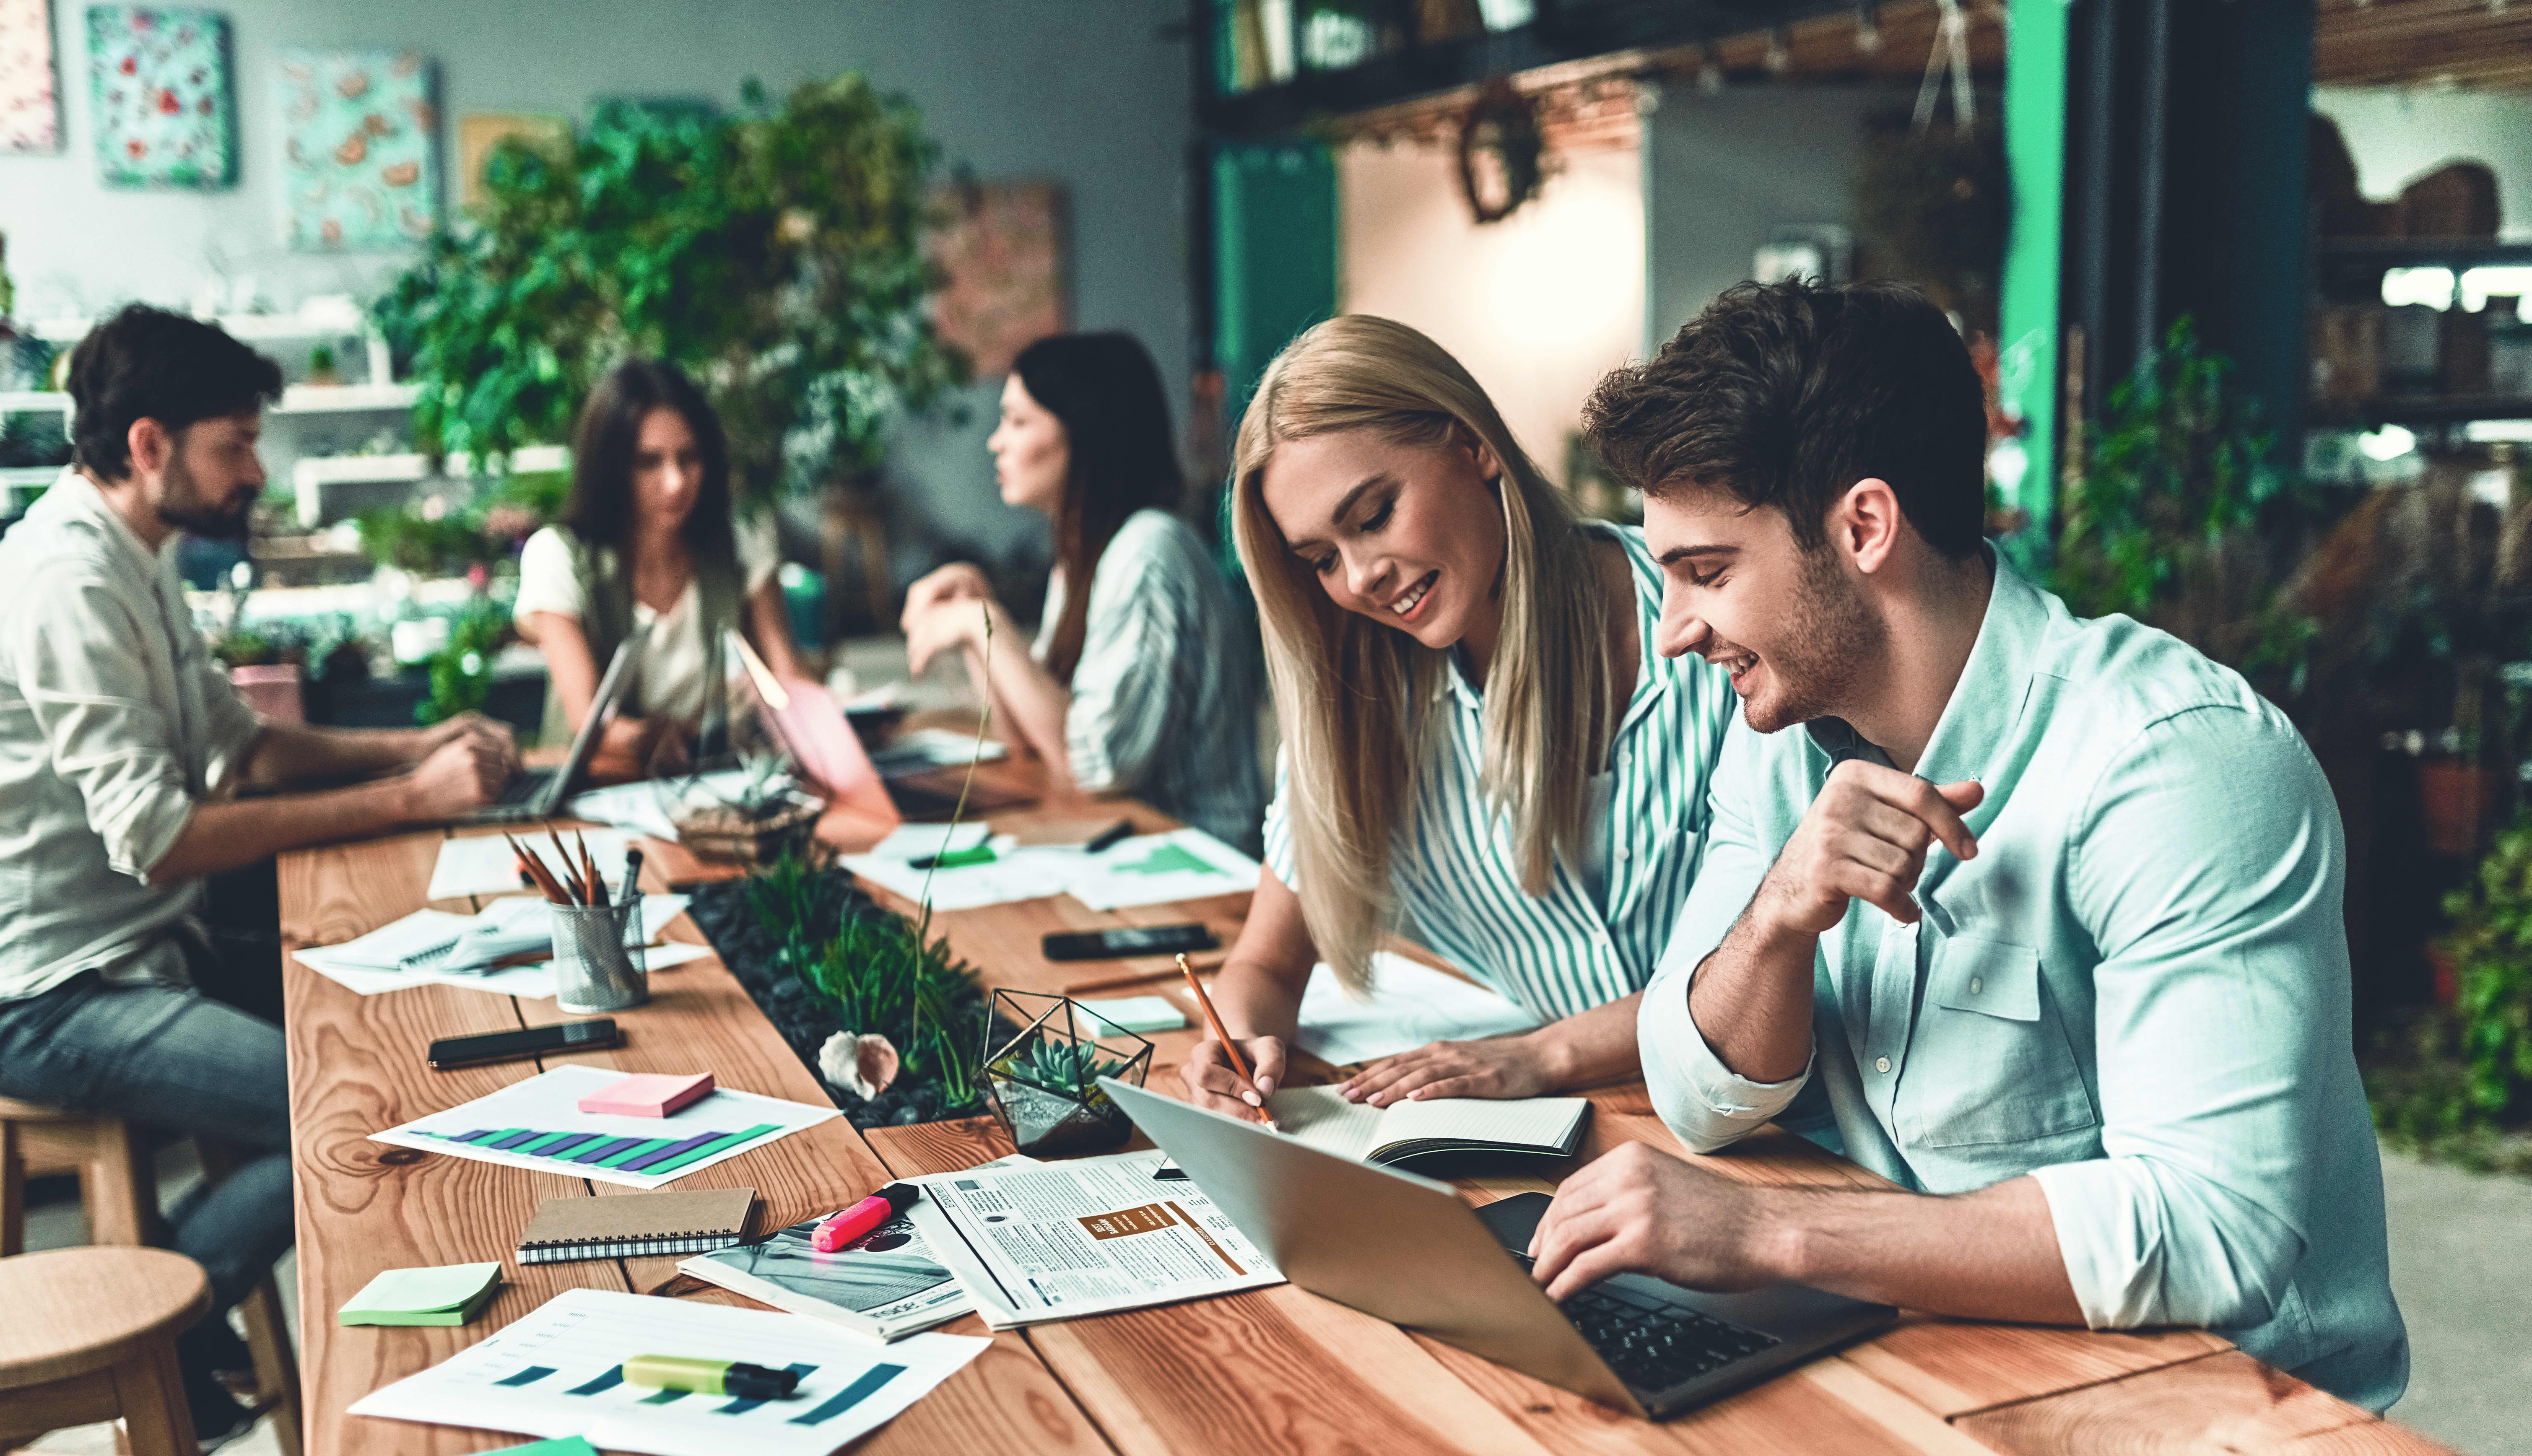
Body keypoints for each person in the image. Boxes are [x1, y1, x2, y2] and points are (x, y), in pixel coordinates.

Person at [1527, 279, 2407, 1410]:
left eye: (1707, 573)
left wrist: (1775, 1231)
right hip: (1915, 1359)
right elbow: (1699, 1097)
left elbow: (2212, 1231)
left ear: (1862, 529)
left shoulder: (2177, 767)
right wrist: (1779, 913)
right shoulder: (1778, 733)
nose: (1675, 632)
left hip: (2215, 1410)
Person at [0, 305, 521, 1441]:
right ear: (150, 444)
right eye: (236, 443)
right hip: (40, 995)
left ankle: (187, 1301)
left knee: (390, 1043)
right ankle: (169, 1319)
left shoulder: (138, 556)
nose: (256, 469)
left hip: (135, 956)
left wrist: (418, 745)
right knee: (357, 1111)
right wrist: (411, 802)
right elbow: (158, 837)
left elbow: (242, 747)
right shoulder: (70, 583)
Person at [1182, 315, 1737, 1119]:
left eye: (1372, 516)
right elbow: (1264, 965)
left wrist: (1541, 1055)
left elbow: (1806, 956)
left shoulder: (1710, 626)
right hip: (1589, 1133)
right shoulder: (1355, 704)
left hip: (1784, 1131)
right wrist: (1236, 1048)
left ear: (1471, 445)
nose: (1361, 577)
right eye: (1320, 560)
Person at [899, 331, 1265, 852]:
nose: (996, 441)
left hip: (1194, 866)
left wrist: (986, 624)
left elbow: (1092, 766)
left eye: (1019, 421)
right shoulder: (1083, 559)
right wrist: (979, 627)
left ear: (1086, 435)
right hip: (1124, 848)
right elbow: (1028, 740)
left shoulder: (1147, 554)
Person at [515, 359, 806, 781]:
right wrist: (662, 736)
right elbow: (589, 722)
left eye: (689, 458)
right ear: (611, 468)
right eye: (648, 462)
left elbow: (787, 680)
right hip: (597, 797)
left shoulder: (739, 541)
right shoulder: (558, 555)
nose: (675, 482)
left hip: (717, 789)